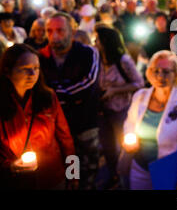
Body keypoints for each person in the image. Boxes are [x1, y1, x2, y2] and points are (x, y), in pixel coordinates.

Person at [39, 12, 102, 190]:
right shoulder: (41, 57)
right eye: (49, 31)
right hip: (56, 129)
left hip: (84, 125)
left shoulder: (88, 53)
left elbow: (88, 83)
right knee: (67, 171)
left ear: (72, 31)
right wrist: (64, 96)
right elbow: (39, 88)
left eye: (60, 30)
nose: (54, 36)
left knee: (87, 172)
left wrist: (55, 95)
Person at [0, 44, 76, 189]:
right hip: (15, 182)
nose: (32, 74)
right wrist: (9, 166)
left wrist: (74, 174)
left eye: (36, 68)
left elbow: (66, 139)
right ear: (7, 71)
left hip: (52, 177)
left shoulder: (48, 97)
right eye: (25, 69)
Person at [123, 50, 177, 190]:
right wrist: (128, 139)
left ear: (176, 74)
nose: (159, 76)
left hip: (168, 169)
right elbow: (129, 123)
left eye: (166, 72)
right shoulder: (140, 96)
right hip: (139, 167)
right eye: (155, 71)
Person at [94, 24, 145, 189]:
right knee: (108, 147)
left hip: (121, 110)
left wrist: (114, 91)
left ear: (106, 41)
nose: (95, 42)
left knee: (125, 146)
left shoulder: (123, 60)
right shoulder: (97, 58)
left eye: (98, 39)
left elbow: (139, 83)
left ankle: (129, 176)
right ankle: (114, 175)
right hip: (102, 110)